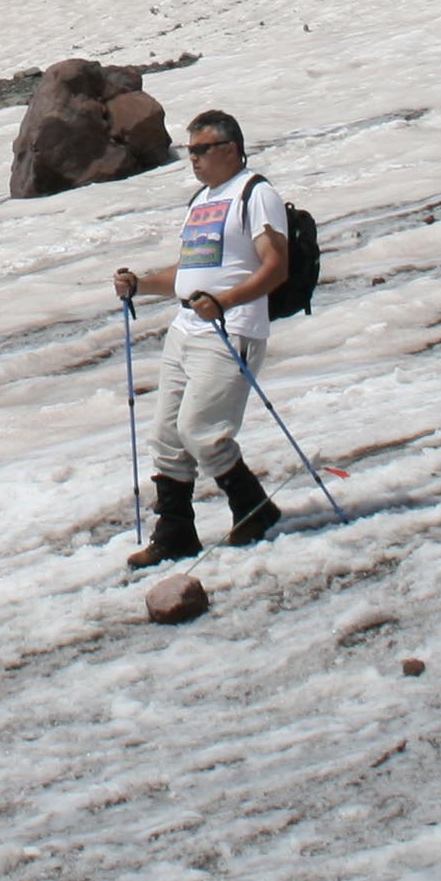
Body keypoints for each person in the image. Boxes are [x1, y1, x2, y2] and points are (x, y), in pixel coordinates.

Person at [112, 110, 288, 564]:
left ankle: (254, 509)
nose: (192, 158)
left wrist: (224, 302)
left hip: (230, 328)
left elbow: (276, 267)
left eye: (201, 149)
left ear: (230, 149)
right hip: (187, 327)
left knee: (201, 430)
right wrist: (140, 284)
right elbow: (188, 270)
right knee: (167, 435)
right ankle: (175, 533)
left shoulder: (256, 194)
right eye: (189, 150)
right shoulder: (202, 199)